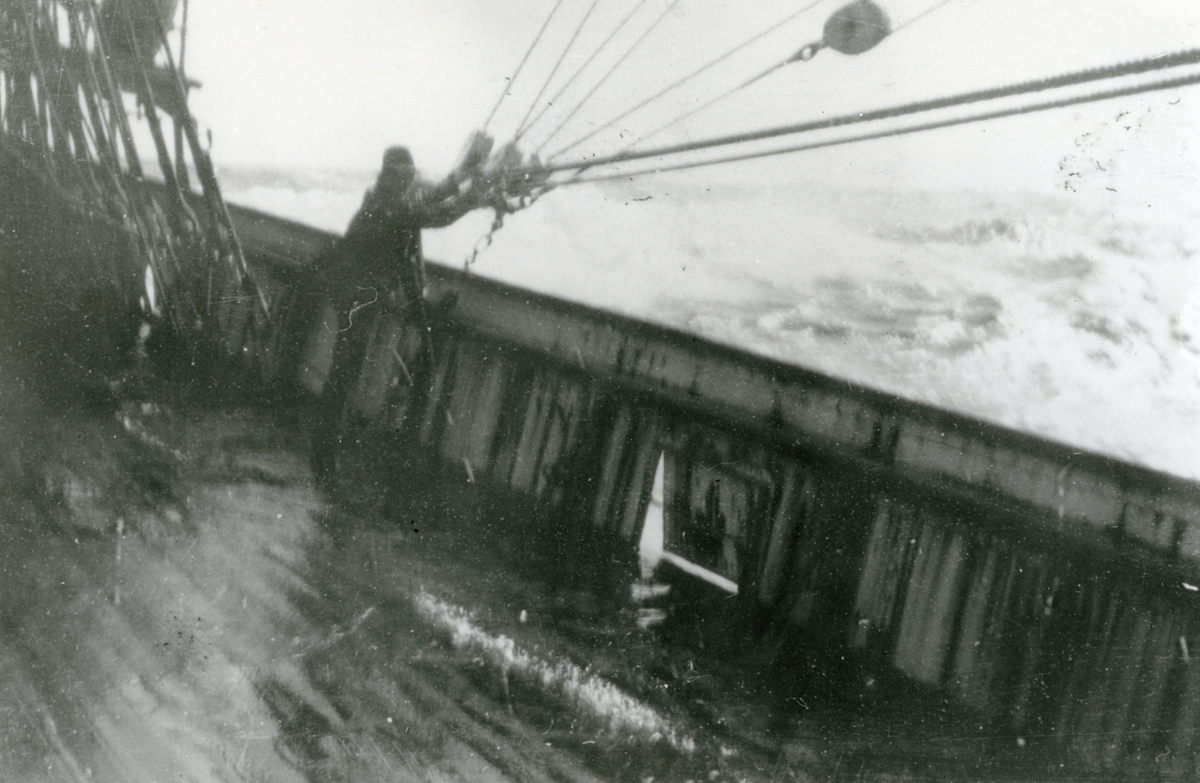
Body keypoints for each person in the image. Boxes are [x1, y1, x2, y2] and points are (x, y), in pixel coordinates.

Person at [307, 135, 492, 490]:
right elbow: (432, 214)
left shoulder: (389, 202)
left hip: (359, 294)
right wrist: (471, 195)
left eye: (412, 175)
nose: (409, 181)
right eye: (404, 176)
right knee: (342, 376)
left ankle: (324, 456)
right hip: (354, 297)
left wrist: (460, 184)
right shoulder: (385, 208)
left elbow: (423, 210)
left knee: (343, 375)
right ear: (390, 176)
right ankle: (323, 461)